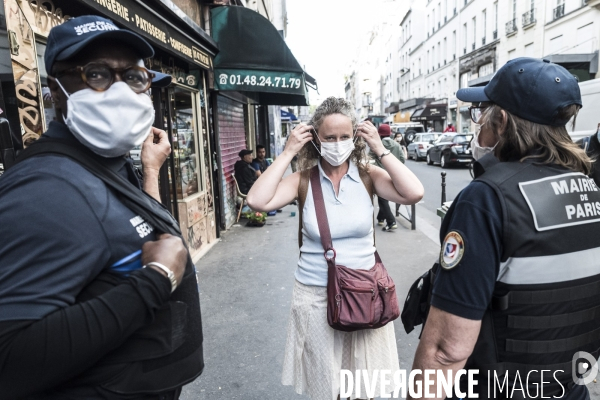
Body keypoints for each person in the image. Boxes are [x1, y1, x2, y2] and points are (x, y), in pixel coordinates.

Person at [0, 16, 204, 399]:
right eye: (96, 74)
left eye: (134, 77)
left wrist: (149, 171)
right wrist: (157, 279)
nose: (121, 91)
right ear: (56, 90)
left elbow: (133, 232)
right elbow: (9, 361)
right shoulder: (47, 190)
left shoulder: (106, 163)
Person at [408, 58, 599, 399]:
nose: (477, 124)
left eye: (481, 112)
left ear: (502, 120)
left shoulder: (485, 200)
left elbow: (445, 351)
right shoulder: (590, 191)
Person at [246, 97, 424, 400]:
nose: (337, 144)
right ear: (316, 138)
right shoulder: (303, 180)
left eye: (344, 136)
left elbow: (414, 192)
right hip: (315, 297)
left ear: (354, 137)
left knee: (359, 387)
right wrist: (288, 151)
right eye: (330, 137)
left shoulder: (368, 175)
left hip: (364, 292)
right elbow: (257, 201)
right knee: (327, 386)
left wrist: (379, 149)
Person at [371, 124, 405, 232]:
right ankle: (380, 218)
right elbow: (402, 159)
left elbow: (369, 159)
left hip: (380, 175)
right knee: (383, 199)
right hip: (395, 175)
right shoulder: (396, 145)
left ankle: (391, 222)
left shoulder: (376, 146)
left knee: (382, 199)